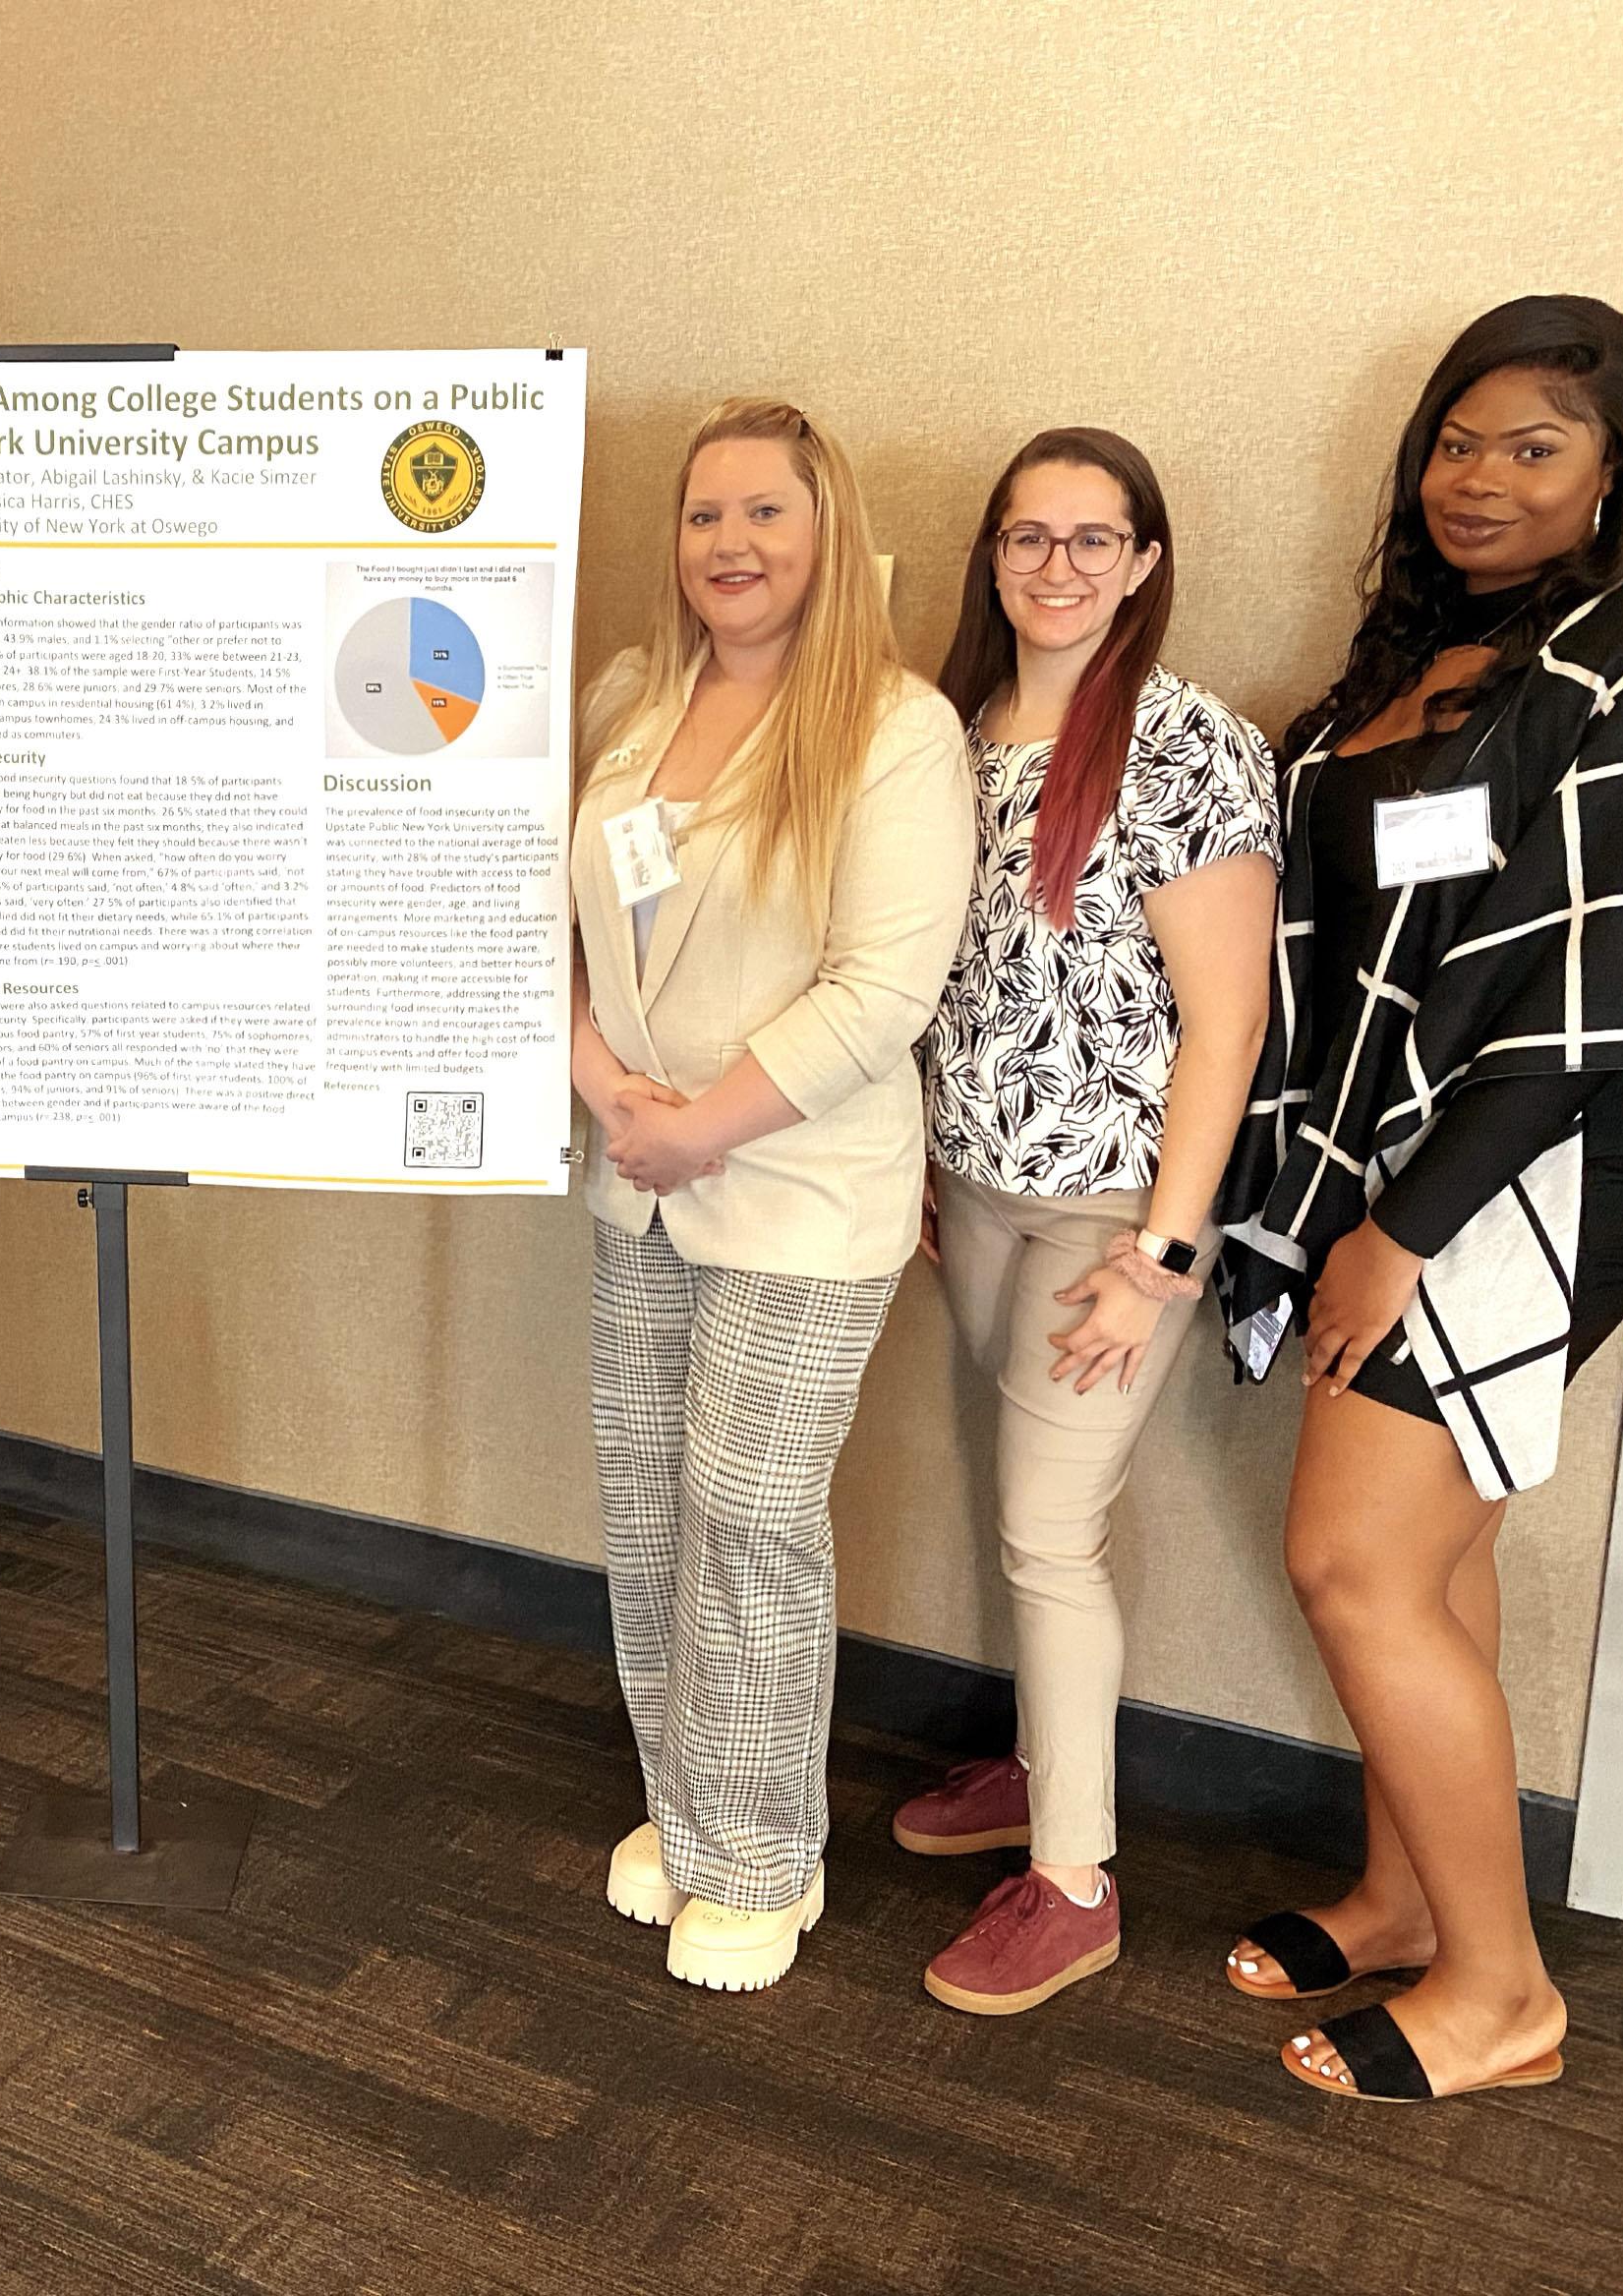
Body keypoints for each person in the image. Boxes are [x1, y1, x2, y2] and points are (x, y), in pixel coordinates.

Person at [1215, 297, 1623, 2100]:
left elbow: (1609, 989)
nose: (1479, 479)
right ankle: (1404, 1901)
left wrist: (1403, 1231)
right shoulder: (1440, 652)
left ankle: (1506, 1990)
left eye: (1531, 446)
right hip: (1387, 1159)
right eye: (1454, 445)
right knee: (1435, 1560)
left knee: (1353, 1562)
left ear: (1617, 467)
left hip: (1530, 1169)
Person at [570, 397, 973, 1992]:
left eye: (764, 515)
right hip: (636, 1180)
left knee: (747, 1512)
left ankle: (759, 1856)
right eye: (702, 516)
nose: (728, 545)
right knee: (649, 1501)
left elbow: (884, 990)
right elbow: (556, 936)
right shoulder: (628, 701)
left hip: (802, 1191)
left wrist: (703, 1123)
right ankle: (685, 1803)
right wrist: (609, 1095)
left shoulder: (893, 728)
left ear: (826, 535)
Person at [898, 430, 1278, 2014]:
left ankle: (1072, 1879)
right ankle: (1048, 1760)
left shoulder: (1188, 748)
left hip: (1110, 1214)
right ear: (992, 556)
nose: (1056, 566)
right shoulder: (949, 727)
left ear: (1142, 561)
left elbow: (1229, 1025)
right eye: (1025, 537)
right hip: (971, 1189)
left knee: (1049, 1536)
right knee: (1024, 1499)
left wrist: (1161, 1260)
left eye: (1091, 539)